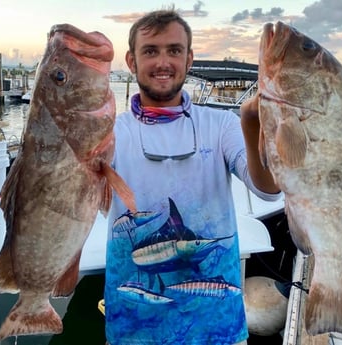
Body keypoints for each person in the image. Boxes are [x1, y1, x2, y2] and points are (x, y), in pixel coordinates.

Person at [103, 8, 281, 345]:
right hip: (133, 326)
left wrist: (253, 121)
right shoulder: (111, 133)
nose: (163, 62)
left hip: (218, 326)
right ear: (131, 60)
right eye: (150, 51)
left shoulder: (223, 125)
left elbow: (269, 190)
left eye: (174, 50)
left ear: (189, 59)